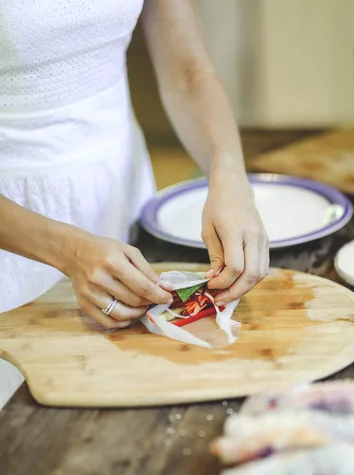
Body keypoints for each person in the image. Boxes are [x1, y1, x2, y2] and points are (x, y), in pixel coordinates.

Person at [0, 0, 269, 327]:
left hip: (120, 189)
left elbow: (189, 72)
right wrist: (68, 251)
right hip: (14, 228)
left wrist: (229, 175)